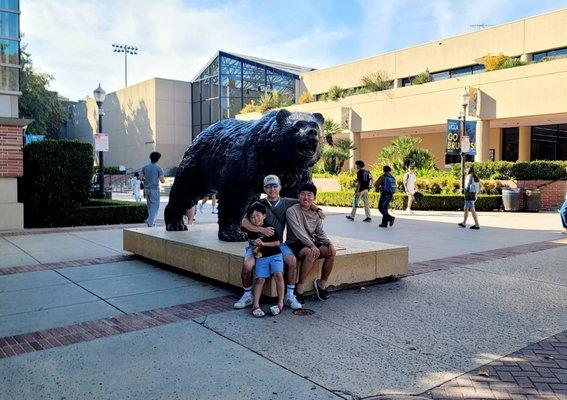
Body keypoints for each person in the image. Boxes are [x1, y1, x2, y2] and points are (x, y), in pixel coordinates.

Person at [286, 182, 336, 303]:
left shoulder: (316, 213)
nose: (306, 197)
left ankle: (322, 284)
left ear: (314, 198)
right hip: (295, 243)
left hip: (311, 241)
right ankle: (300, 288)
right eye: (303, 194)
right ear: (298, 196)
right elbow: (298, 232)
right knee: (310, 253)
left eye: (309, 195)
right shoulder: (292, 211)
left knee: (331, 252)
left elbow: (320, 232)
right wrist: (312, 245)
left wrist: (330, 243)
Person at [243, 202, 285, 317]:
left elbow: (277, 243)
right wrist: (255, 247)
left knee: (278, 275)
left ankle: (280, 302)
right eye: (252, 217)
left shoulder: (270, 228)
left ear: (264, 216)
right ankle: (255, 305)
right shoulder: (251, 230)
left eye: (258, 215)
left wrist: (264, 244)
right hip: (262, 257)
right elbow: (253, 246)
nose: (255, 219)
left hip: (275, 255)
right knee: (260, 279)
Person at [141, 152, 165, 227]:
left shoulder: (145, 167)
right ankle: (151, 222)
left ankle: (151, 221)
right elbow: (162, 180)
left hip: (146, 189)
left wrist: (146, 179)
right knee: (155, 206)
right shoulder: (159, 168)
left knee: (149, 205)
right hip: (154, 189)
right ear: (158, 159)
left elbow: (141, 178)